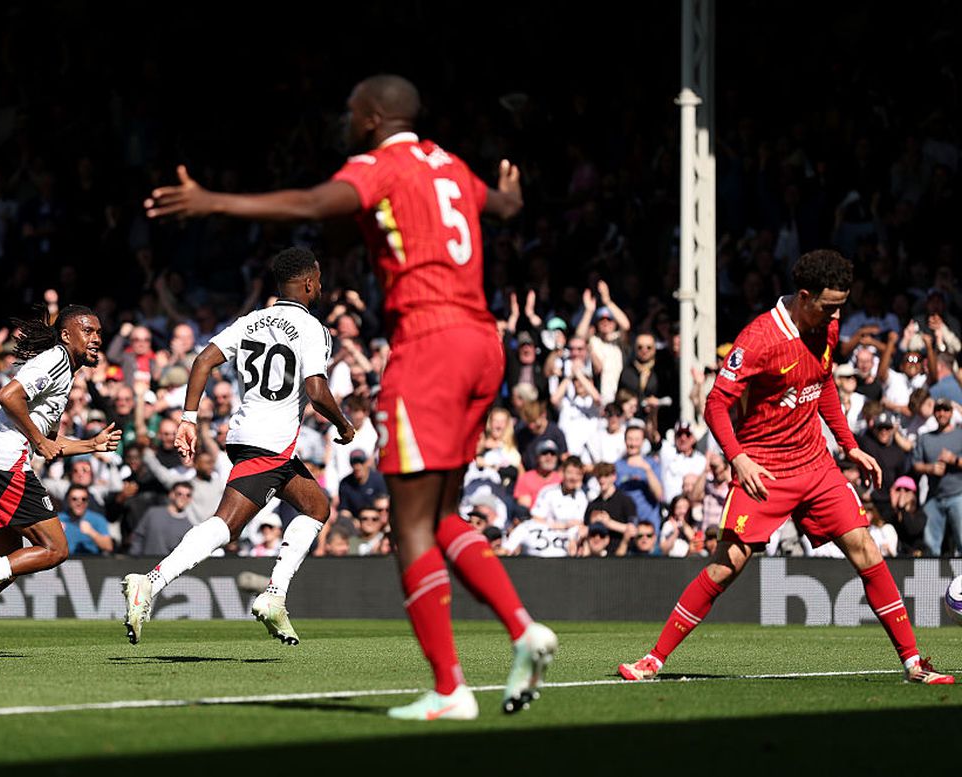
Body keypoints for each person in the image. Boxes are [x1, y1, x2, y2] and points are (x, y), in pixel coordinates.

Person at [144, 74, 557, 720]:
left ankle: (450, 689)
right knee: (442, 516)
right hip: (485, 345)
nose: (344, 120)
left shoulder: (380, 164)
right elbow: (501, 208)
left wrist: (215, 200)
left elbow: (313, 203)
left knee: (411, 526)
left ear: (371, 117)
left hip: (430, 347)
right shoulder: (450, 165)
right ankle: (524, 630)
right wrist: (508, 195)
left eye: (349, 112)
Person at [618, 250, 953, 685]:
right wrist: (738, 457)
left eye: (842, 305)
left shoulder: (827, 328)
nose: (837, 315)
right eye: (830, 305)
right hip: (764, 470)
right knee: (726, 565)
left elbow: (823, 383)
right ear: (805, 296)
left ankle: (913, 663)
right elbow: (716, 403)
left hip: (816, 465)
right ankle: (653, 660)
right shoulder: (758, 339)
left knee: (867, 551)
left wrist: (848, 446)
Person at [120, 247, 354, 648]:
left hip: (247, 435)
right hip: (271, 442)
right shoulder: (314, 329)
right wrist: (344, 425)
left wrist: (188, 419)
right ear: (310, 283)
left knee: (316, 505)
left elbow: (202, 361)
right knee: (226, 526)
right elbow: (316, 390)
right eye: (318, 280)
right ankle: (150, 583)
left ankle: (275, 595)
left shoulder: (252, 320)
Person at [0, 304, 122, 658]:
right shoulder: (57, 360)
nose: (97, 338)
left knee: (8, 563)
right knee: (56, 549)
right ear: (66, 335)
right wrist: (39, 439)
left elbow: (48, 442)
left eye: (98, 332)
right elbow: (9, 396)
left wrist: (89, 445)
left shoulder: (63, 371)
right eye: (88, 331)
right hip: (2, 464)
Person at [911, 397, 962, 556]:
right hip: (934, 497)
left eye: (945, 410)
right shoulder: (925, 438)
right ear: (934, 413)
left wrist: (954, 460)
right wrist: (930, 468)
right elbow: (916, 465)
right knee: (930, 546)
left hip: (958, 494)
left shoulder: (960, 434)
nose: (942, 413)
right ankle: (932, 580)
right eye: (938, 410)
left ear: (951, 412)